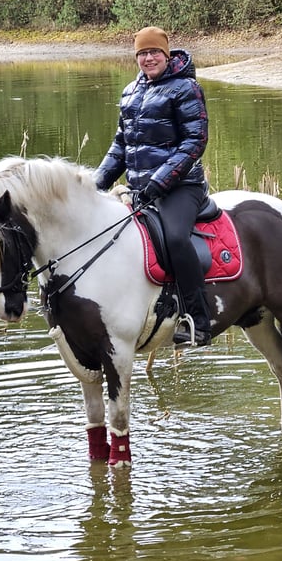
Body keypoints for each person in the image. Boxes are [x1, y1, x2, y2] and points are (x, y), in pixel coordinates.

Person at [94, 26, 212, 346]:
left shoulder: (185, 88)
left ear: (166, 54)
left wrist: (160, 181)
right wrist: (93, 184)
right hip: (141, 190)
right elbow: (121, 147)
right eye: (142, 53)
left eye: (154, 52)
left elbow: (194, 141)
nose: (148, 58)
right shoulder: (131, 90)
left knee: (174, 238)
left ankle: (198, 320)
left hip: (182, 187)